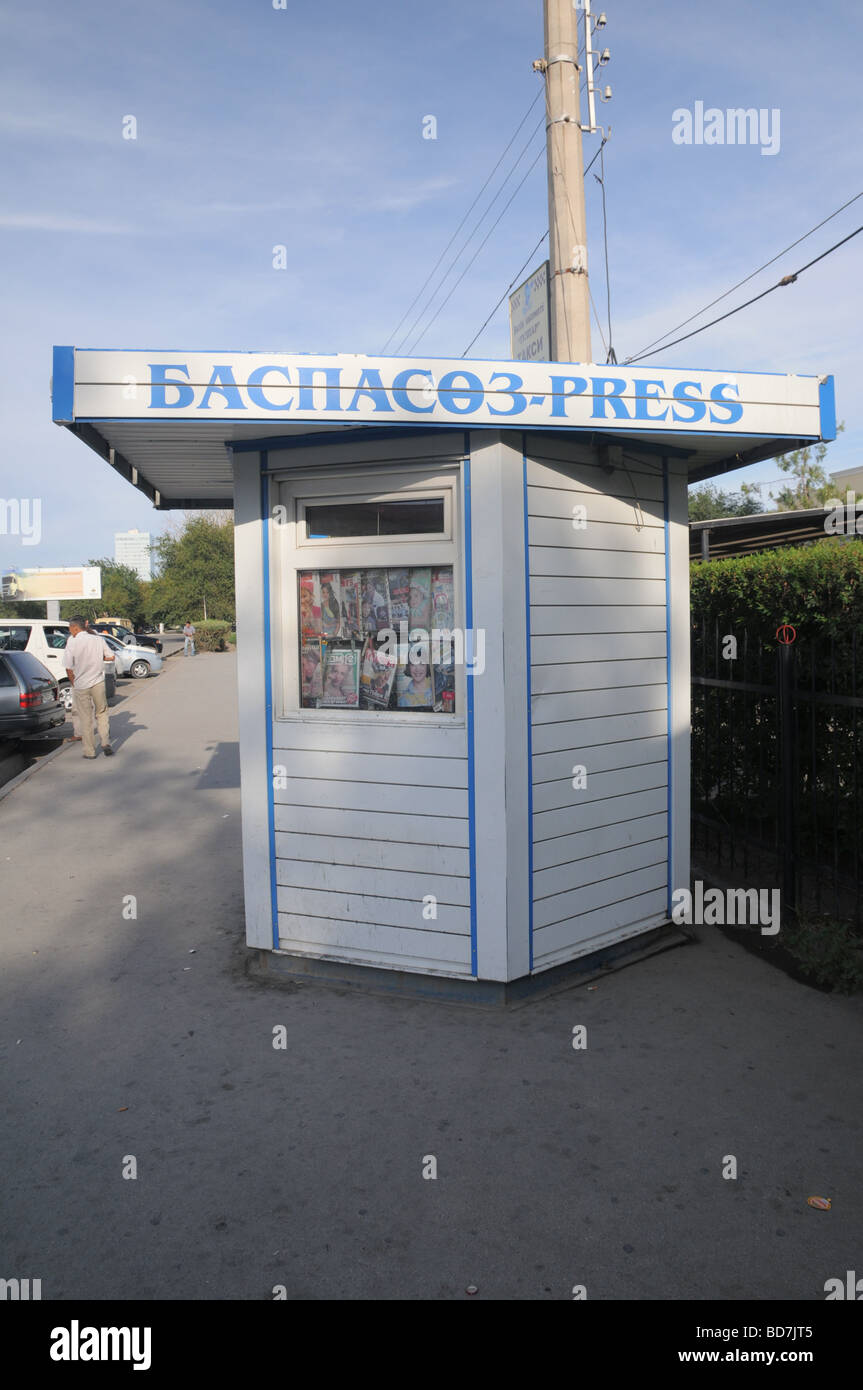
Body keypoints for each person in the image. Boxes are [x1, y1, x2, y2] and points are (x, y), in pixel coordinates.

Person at [64, 616, 114, 759]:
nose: (70, 632)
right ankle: (105, 742)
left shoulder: (72, 642)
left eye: (70, 629)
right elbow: (111, 657)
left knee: (86, 718)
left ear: (75, 628)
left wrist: (74, 682)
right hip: (98, 682)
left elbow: (68, 667)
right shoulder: (98, 639)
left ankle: (90, 752)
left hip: (80, 685)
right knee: (102, 713)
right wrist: (98, 658)